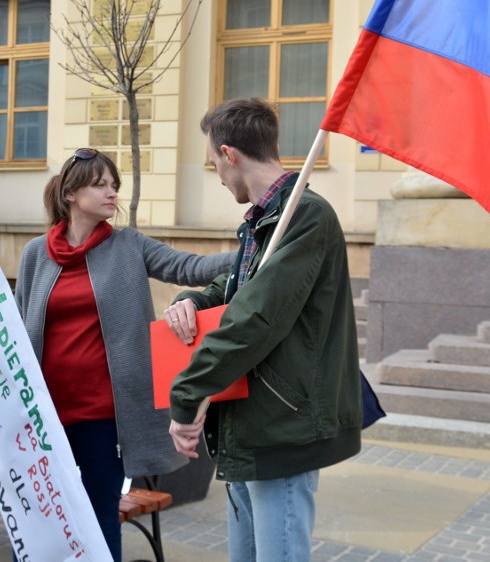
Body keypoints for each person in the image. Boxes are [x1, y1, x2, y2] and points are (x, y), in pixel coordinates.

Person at [166, 98, 362, 562]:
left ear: (231, 154)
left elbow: (255, 317)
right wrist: (195, 299)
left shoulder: (305, 215)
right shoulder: (264, 220)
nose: (216, 173)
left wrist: (188, 394)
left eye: (214, 161)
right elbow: (239, 285)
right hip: (252, 425)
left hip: (283, 428)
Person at [15, 148, 234, 561]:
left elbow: (188, 267)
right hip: (45, 420)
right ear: (70, 194)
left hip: (103, 419)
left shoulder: (128, 245)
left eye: (114, 184)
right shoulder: (34, 254)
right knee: (37, 522)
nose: (112, 192)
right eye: (100, 184)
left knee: (100, 523)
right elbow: (18, 328)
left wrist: (250, 253)